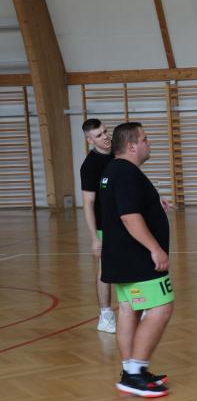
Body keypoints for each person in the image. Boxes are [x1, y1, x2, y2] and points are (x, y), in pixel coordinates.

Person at [100, 122, 173, 398]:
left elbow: (126, 206)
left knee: (129, 309)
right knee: (161, 307)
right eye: (144, 139)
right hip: (137, 258)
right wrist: (155, 248)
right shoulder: (127, 173)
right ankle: (134, 373)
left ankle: (131, 370)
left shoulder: (113, 171)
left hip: (120, 257)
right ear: (131, 146)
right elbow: (129, 217)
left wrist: (154, 205)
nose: (148, 143)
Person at [79, 118, 116, 333]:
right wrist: (94, 238)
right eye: (99, 135)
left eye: (105, 132)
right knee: (106, 268)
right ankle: (105, 315)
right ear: (89, 140)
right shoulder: (89, 166)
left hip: (126, 221)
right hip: (105, 226)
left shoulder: (118, 153)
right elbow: (88, 203)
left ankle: (139, 307)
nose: (105, 137)